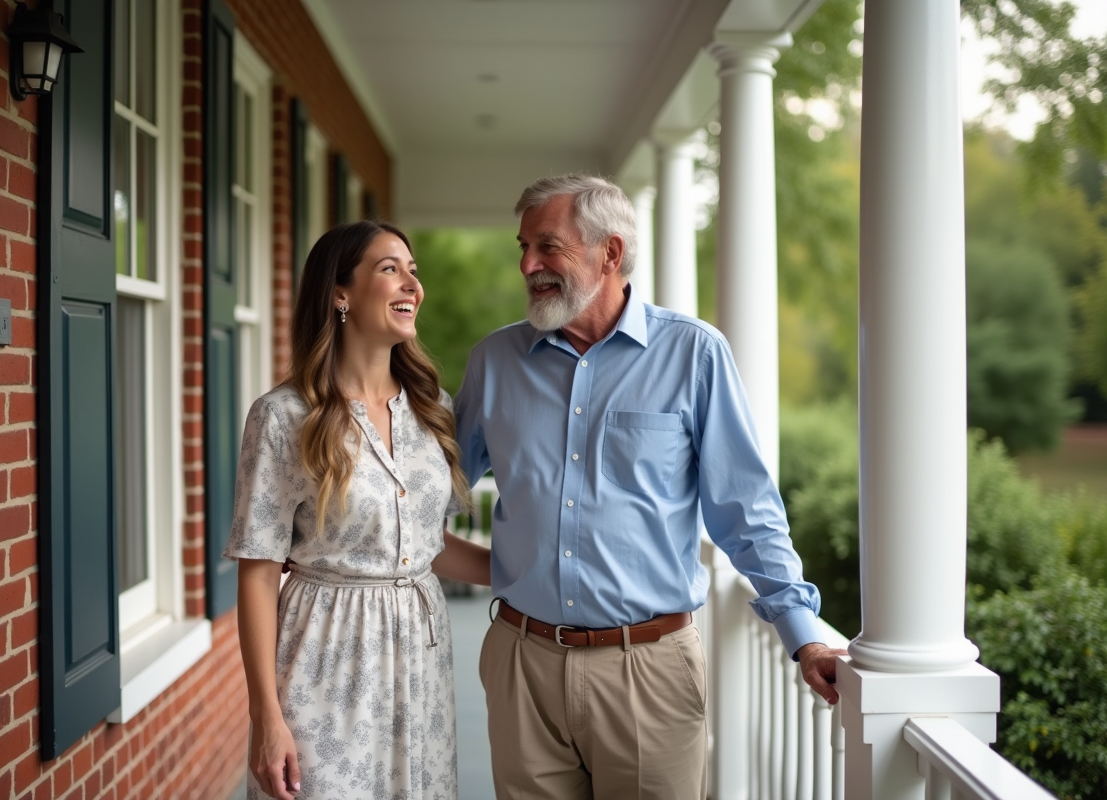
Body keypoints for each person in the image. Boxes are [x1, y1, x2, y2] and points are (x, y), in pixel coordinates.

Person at [453, 174, 848, 800]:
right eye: (523, 248)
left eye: (547, 247)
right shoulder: (495, 362)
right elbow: (429, 485)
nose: (528, 265)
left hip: (649, 670)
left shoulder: (694, 354)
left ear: (609, 253)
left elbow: (746, 512)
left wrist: (805, 636)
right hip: (521, 664)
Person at [226, 220, 491, 800]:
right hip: (324, 658)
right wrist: (266, 717)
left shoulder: (433, 409)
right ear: (340, 294)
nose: (412, 284)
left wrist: (522, 571)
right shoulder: (282, 416)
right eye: (390, 268)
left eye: (413, 270)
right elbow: (258, 569)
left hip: (420, 659)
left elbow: (427, 546)